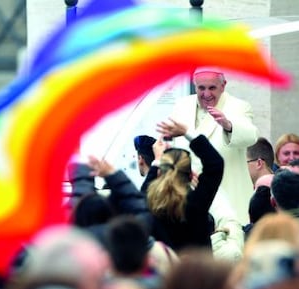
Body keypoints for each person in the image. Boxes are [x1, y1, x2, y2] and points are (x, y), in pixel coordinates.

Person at [89, 119, 223, 252]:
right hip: (198, 271)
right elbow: (215, 163)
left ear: (159, 173)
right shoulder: (196, 203)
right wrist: (186, 132)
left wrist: (157, 160)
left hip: (164, 271)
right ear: (190, 175)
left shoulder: (150, 204)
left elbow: (141, 195)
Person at [165, 67, 259, 225]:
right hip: (189, 200)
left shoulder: (238, 107)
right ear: (195, 86)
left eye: (212, 88)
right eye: (201, 88)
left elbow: (251, 136)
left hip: (228, 196)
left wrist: (228, 125)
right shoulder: (182, 105)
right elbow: (169, 141)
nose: (206, 94)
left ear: (223, 85)